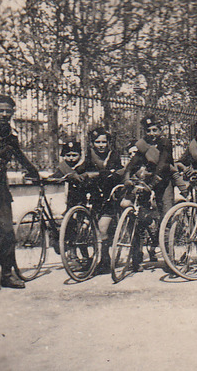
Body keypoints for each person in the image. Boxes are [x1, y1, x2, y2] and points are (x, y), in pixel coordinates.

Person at [0, 94, 39, 290]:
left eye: (8, 111)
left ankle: (7, 274)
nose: (4, 114)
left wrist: (33, 170)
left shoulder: (11, 135)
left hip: (1, 191)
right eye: (1, 110)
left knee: (7, 231)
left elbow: (19, 155)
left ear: (13, 112)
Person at [121, 114, 176, 271]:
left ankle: (169, 261)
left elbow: (163, 164)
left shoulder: (165, 143)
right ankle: (136, 259)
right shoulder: (142, 145)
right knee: (138, 218)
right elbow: (133, 162)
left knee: (167, 218)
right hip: (147, 182)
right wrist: (127, 177)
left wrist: (152, 184)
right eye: (149, 130)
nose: (152, 133)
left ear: (160, 130)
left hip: (163, 182)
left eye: (155, 130)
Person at [79, 127, 123, 274]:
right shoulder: (90, 156)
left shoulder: (114, 155)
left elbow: (112, 172)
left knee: (102, 228)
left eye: (104, 142)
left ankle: (104, 261)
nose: (101, 145)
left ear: (109, 142)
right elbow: (82, 168)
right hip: (96, 196)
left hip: (111, 197)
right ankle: (97, 258)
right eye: (97, 142)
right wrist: (73, 173)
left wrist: (95, 174)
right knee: (91, 228)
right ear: (92, 143)